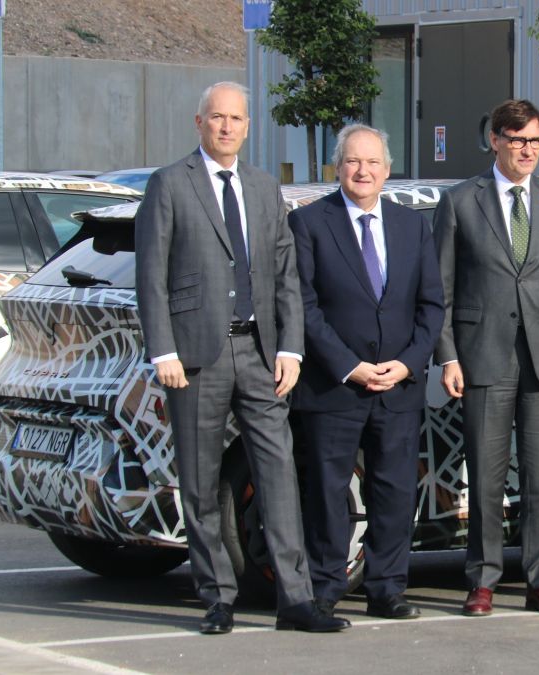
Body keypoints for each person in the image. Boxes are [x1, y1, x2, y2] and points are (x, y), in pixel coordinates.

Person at [135, 81, 345, 635]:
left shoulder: (261, 186)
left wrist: (291, 347)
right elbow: (151, 275)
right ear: (199, 122)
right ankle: (216, 597)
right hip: (196, 356)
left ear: (248, 127)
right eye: (217, 118)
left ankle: (296, 601)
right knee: (201, 482)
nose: (227, 127)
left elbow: (284, 275)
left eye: (236, 119)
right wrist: (163, 349)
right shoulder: (169, 184)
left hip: (259, 352)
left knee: (278, 475)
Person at [433, 99, 539, 617]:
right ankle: (482, 581)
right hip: (484, 358)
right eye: (518, 139)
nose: (527, 150)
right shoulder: (459, 202)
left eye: (536, 141)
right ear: (495, 139)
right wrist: (449, 356)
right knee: (486, 476)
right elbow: (443, 291)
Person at [288, 124, 444, 620]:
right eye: (354, 162)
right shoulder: (310, 223)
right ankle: (326, 588)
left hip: (397, 385)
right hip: (333, 386)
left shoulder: (412, 225)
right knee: (328, 493)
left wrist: (409, 362)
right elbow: (304, 307)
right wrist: (349, 366)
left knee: (395, 491)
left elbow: (432, 303)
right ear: (339, 167)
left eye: (373, 162)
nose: (363, 171)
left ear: (387, 169)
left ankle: (387, 589)